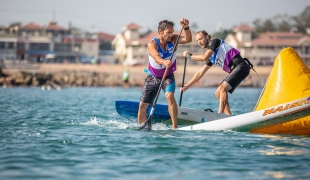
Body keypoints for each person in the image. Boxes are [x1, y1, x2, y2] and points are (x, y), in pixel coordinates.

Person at [137, 18, 192, 129]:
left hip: (168, 76)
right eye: (168, 32)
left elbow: (188, 39)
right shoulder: (152, 44)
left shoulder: (174, 39)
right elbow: (156, 57)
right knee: (143, 105)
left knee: (169, 95)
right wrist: (163, 61)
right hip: (153, 77)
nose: (171, 35)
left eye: (172, 32)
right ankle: (142, 126)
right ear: (160, 32)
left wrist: (186, 27)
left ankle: (174, 126)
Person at [180, 30, 251, 116]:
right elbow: (200, 73)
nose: (199, 42)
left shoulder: (215, 41)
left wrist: (189, 55)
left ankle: (219, 115)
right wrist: (187, 85)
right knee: (218, 93)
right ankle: (228, 116)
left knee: (222, 89)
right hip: (236, 69)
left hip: (241, 66)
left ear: (207, 37)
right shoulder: (212, 57)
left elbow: (204, 57)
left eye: (201, 39)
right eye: (197, 40)